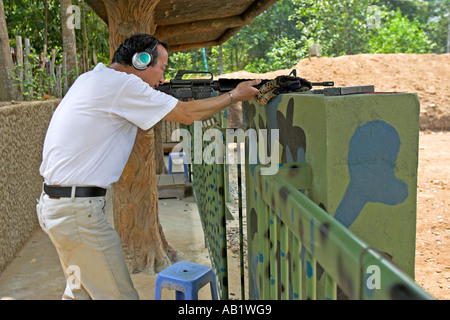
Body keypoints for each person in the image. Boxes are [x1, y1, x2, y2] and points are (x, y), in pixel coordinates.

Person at [36, 33, 260, 300]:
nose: (162, 79)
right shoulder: (122, 85)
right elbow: (187, 115)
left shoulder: (93, 78)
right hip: (76, 214)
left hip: (58, 207)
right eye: (162, 69)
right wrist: (235, 95)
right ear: (141, 61)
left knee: (79, 293)